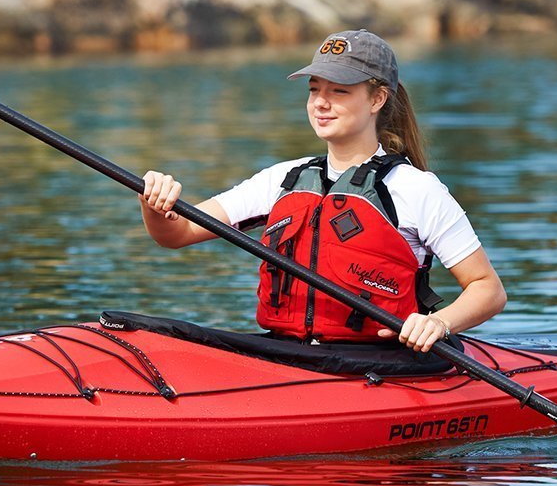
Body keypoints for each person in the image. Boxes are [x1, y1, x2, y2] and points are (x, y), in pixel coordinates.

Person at [138, 29, 506, 353]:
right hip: (286, 354)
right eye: (314, 90)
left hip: (381, 362)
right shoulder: (282, 180)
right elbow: (177, 233)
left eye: (339, 91)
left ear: (377, 100)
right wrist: (154, 206)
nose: (320, 103)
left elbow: (487, 289)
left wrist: (438, 323)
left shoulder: (414, 188)